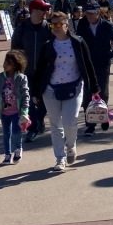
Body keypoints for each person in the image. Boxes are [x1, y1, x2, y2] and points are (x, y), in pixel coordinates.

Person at [30, 12, 98, 171]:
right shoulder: (47, 45)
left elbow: (88, 66)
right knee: (55, 124)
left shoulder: (78, 42)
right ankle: (60, 158)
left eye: (59, 24)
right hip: (50, 90)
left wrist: (95, 88)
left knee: (70, 122)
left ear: (67, 25)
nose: (55, 28)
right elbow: (39, 70)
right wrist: (35, 93)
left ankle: (71, 145)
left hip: (74, 87)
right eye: (52, 25)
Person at [76, 0, 113, 135]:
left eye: (92, 13)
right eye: (87, 13)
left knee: (102, 93)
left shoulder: (107, 26)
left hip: (102, 64)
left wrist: (110, 55)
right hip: (87, 64)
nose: (89, 16)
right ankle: (90, 125)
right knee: (87, 94)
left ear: (98, 12)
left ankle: (103, 118)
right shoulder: (82, 24)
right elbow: (78, 42)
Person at [11, 0, 53, 142]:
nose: (46, 12)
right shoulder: (21, 29)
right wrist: (15, 70)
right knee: (27, 101)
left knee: (44, 100)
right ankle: (33, 128)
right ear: (34, 11)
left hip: (45, 72)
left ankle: (40, 119)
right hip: (25, 72)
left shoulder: (49, 28)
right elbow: (14, 51)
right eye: (43, 9)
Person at [0, 50, 30, 164]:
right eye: (5, 62)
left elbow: (25, 95)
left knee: (16, 132)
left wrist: (24, 110)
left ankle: (18, 148)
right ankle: (7, 154)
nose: (5, 65)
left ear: (15, 65)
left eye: (9, 63)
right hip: (4, 112)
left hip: (17, 111)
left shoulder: (21, 78)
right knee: (6, 134)